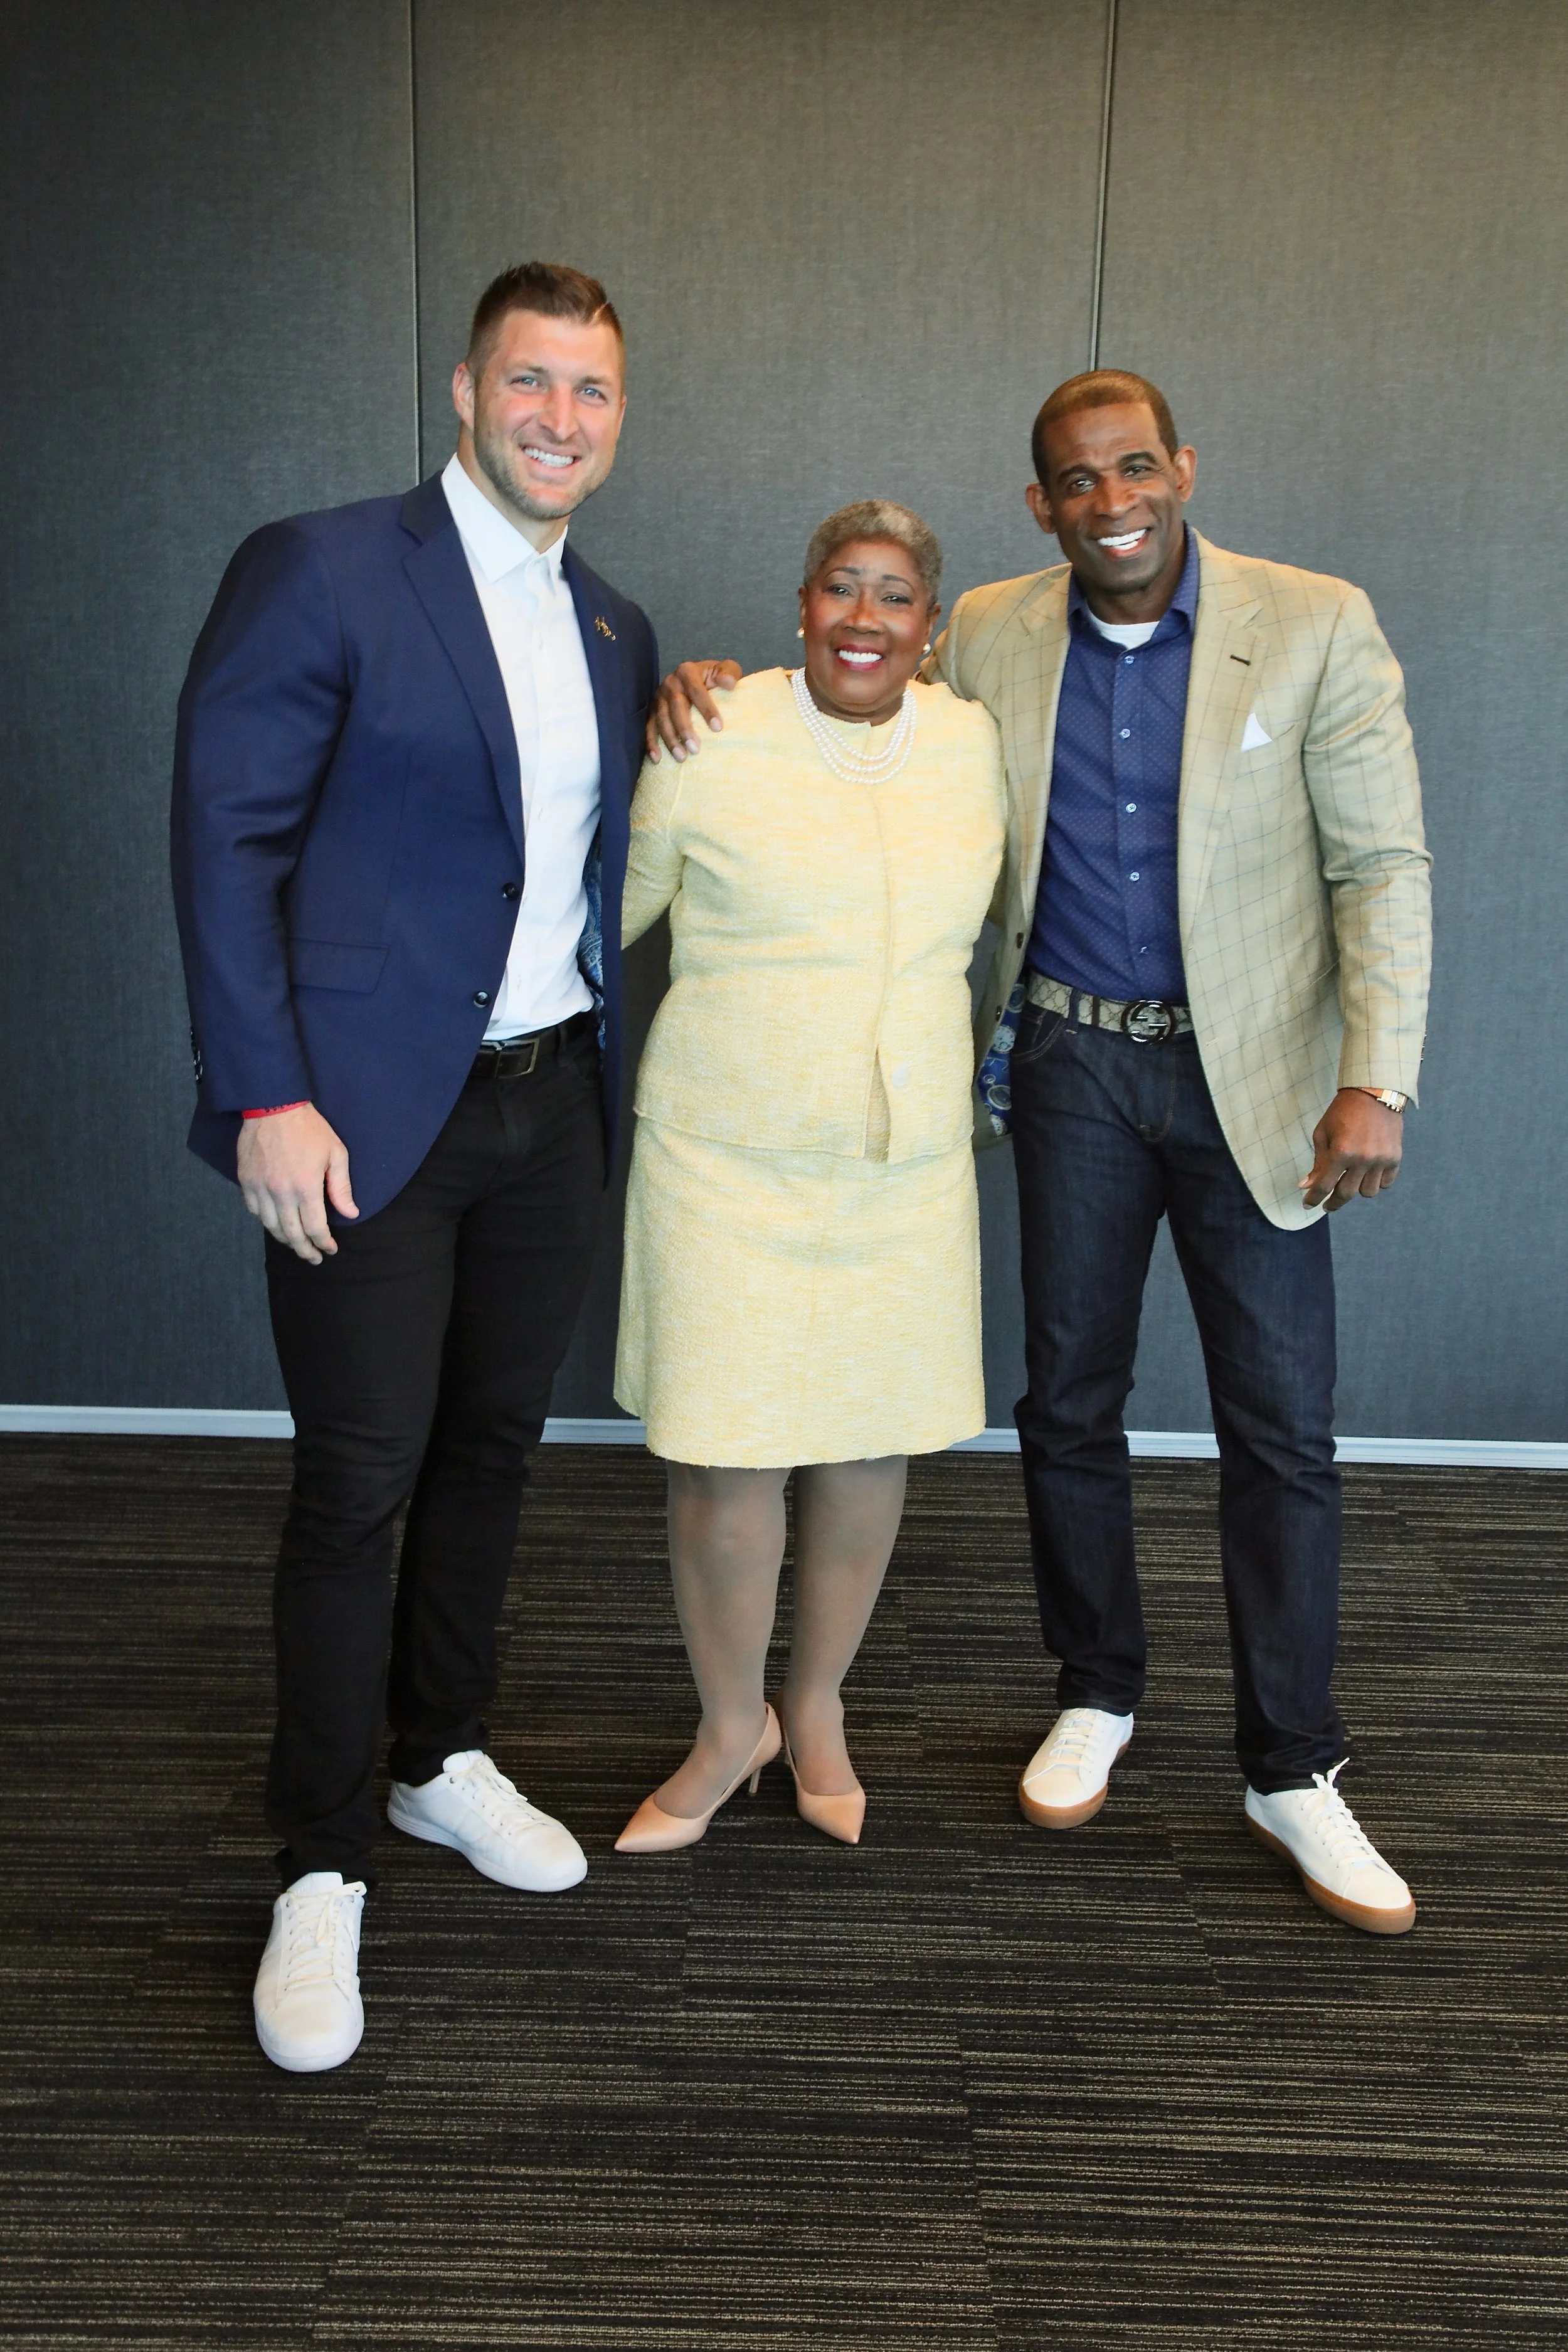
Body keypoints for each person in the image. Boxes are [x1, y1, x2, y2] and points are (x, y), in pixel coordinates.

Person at [649, 370, 1433, 1936]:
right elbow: (840, 705)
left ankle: (1291, 1763)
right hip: (1070, 1063)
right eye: (1076, 482)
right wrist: (706, 687)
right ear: (1041, 506)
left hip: (1253, 1085)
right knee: (1065, 1400)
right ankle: (1097, 1688)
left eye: (1134, 469)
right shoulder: (992, 630)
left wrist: (1377, 1079)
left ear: (1179, 468)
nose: (1111, 501)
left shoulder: (1315, 619)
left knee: (1277, 1428)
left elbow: (1380, 859)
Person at [171, 262, 657, 2071]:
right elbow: (222, 837)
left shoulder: (610, 621)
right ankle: (320, 1858)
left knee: (491, 1450)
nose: (558, 417)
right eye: (528, 381)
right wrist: (263, 1092)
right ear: (463, 390)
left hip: (549, 1111)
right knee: (353, 1483)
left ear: (619, 415)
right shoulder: (322, 565)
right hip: (365, 1117)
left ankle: (438, 1751)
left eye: (592, 391)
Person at [612, 501, 1005, 1855]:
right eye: (841, 588)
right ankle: (732, 1729)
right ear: (798, 607)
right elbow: (603, 921)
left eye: (893, 597)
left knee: (861, 1446)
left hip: (899, 1171)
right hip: (722, 1162)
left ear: (930, 630)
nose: (863, 618)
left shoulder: (971, 745)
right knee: (723, 1463)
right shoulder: (711, 730)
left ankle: (816, 1705)